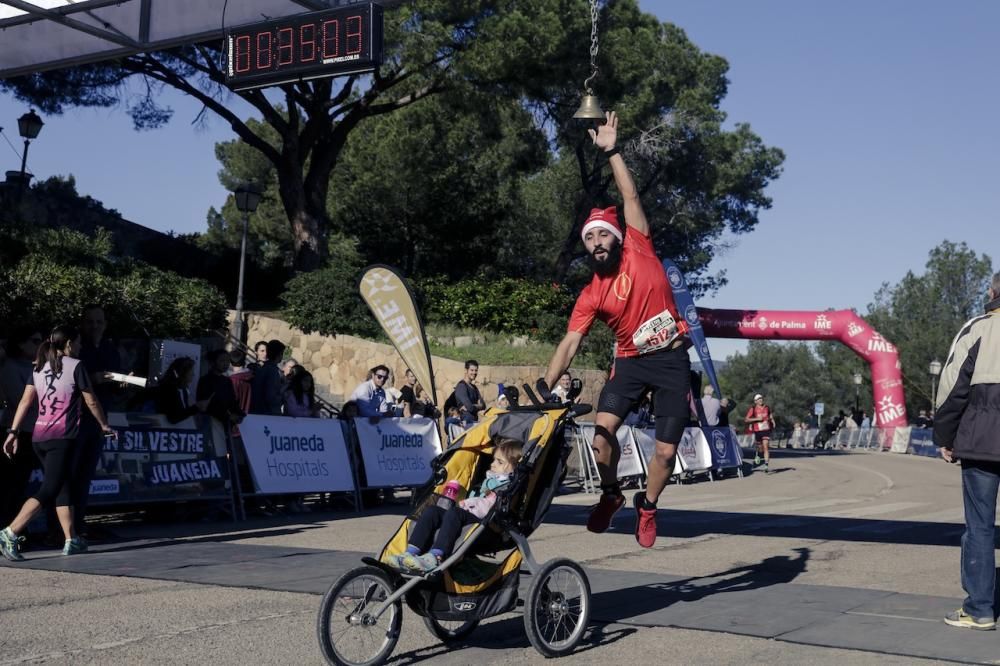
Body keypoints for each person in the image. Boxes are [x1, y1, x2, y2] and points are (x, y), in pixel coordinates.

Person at [538, 112, 691, 549]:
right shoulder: (590, 293)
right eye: (589, 239)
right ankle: (610, 494)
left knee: (664, 452)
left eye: (603, 236)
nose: (597, 243)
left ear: (618, 238)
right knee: (601, 437)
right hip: (629, 362)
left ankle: (648, 504)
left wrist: (612, 150)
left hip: (671, 358)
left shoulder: (640, 246)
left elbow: (629, 194)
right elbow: (570, 342)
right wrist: (544, 387)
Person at [0, 325, 118, 562]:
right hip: (61, 437)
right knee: (50, 489)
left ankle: (70, 539)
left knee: (63, 488)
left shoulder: (39, 367)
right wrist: (104, 425)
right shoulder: (76, 366)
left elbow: (24, 402)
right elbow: (91, 400)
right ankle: (10, 531)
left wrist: (13, 431)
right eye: (79, 342)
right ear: (69, 344)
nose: (81, 346)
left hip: (38, 436)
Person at [934, 271, 1000, 631]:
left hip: (980, 445)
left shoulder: (977, 329)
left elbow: (951, 388)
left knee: (980, 527)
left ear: (992, 292)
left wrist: (945, 436)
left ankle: (980, 609)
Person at [387, 437, 523, 573]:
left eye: (499, 462)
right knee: (432, 511)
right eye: (494, 460)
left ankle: (436, 556)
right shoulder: (490, 480)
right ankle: (410, 552)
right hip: (469, 513)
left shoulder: (507, 487)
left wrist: (467, 504)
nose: (492, 464)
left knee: (455, 513)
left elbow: (487, 507)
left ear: (514, 467)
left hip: (488, 525)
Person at [73, 304, 124, 536]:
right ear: (82, 323)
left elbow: (114, 383)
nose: (95, 326)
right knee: (69, 475)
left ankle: (79, 524)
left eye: (99, 321)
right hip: (75, 418)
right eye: (90, 321)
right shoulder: (76, 348)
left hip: (100, 418)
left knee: (85, 476)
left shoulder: (109, 348)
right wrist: (92, 379)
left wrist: (123, 382)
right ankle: (62, 528)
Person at [0, 328, 42, 527]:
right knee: (11, 484)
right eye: (35, 341)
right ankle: (6, 527)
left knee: (22, 483)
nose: (39, 346)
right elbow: (19, 400)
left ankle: (15, 528)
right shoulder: (10, 367)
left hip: (35, 431)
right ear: (21, 344)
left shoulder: (37, 367)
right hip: (16, 432)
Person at [155, 357, 211, 423]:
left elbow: (183, 413)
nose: (193, 374)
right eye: (191, 371)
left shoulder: (183, 390)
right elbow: (174, 417)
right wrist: (196, 407)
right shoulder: (168, 389)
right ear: (182, 372)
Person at [250, 340, 285, 416]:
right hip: (269, 413)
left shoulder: (263, 368)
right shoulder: (272, 371)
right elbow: (271, 396)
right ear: (279, 354)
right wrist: (283, 395)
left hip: (259, 411)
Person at [745, 394, 774, 472]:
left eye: (761, 398)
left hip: (766, 430)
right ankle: (758, 452)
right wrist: (757, 419)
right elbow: (746, 419)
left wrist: (772, 421)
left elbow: (770, 414)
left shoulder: (767, 407)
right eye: (758, 399)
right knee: (760, 449)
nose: (760, 400)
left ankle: (766, 465)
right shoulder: (753, 409)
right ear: (755, 401)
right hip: (757, 430)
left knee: (766, 446)